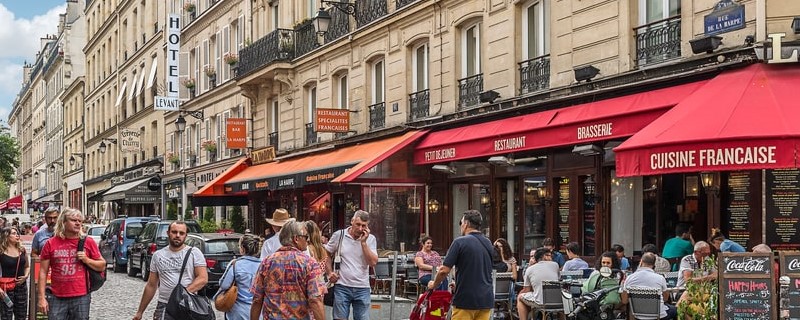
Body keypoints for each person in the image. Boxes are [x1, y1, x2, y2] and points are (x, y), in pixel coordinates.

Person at [37, 209, 105, 320]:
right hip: (57, 296)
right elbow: (43, 272)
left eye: (80, 221)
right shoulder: (50, 243)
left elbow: (102, 265)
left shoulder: (88, 242)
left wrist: (87, 260)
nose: (78, 223)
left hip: (81, 296)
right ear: (63, 222)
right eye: (73, 220)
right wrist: (41, 298)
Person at [132, 221, 207, 320]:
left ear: (186, 235)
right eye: (174, 232)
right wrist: (140, 312)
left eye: (181, 233)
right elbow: (151, 285)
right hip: (164, 305)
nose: (177, 235)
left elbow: (202, 278)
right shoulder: (158, 255)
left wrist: (181, 295)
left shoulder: (194, 253)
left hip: (188, 305)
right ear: (168, 233)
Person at [428, 210, 495, 320]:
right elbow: (481, 269)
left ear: (466, 224)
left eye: (461, 222)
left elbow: (444, 270)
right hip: (485, 299)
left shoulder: (459, 242)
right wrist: (458, 282)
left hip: (465, 299)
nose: (461, 225)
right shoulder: (488, 243)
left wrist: (434, 284)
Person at [250, 221, 324, 320]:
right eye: (306, 237)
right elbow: (315, 300)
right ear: (296, 239)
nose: (308, 240)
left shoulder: (266, 263)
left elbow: (257, 299)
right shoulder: (309, 264)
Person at [325, 210, 378, 320]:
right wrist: (329, 272)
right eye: (358, 224)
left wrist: (363, 243)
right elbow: (326, 253)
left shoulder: (371, 239)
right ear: (352, 221)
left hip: (362, 287)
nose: (360, 229)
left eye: (364, 226)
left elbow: (372, 262)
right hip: (342, 286)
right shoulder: (339, 235)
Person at [213, 234, 262, 320]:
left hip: (238, 312)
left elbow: (224, 285)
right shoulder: (264, 265)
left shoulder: (236, 264)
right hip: (258, 312)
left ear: (243, 249)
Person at [621, 253, 677, 320]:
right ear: (654, 265)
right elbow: (665, 298)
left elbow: (624, 301)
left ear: (641, 261)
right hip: (659, 316)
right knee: (676, 310)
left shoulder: (630, 278)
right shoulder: (660, 278)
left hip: (638, 316)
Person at [517, 247, 559, 320]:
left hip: (541, 302)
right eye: (549, 256)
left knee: (520, 297)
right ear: (544, 257)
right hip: (557, 300)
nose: (551, 258)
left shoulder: (529, 269)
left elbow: (526, 290)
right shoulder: (555, 265)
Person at [0, 227, 29, 320]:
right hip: (5, 288)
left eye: (17, 233)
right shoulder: (1, 251)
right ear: (6, 236)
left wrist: (26, 276)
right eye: (13, 233)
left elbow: (27, 266)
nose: (17, 235)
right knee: (6, 315)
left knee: (21, 315)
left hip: (21, 286)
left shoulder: (22, 249)